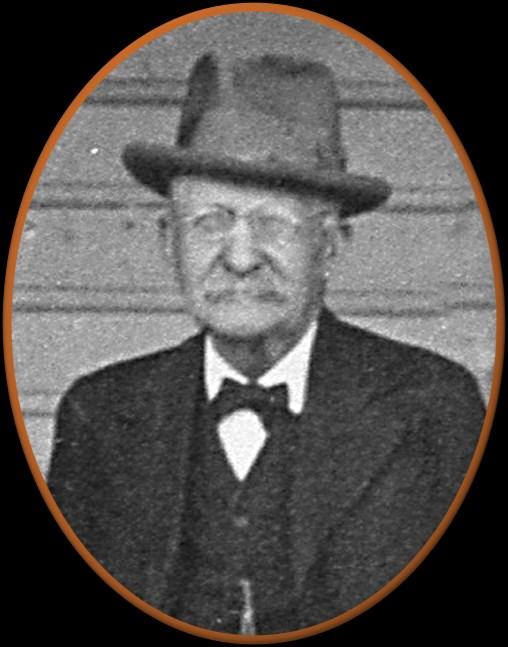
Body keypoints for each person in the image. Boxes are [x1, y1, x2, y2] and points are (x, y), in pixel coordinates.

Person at [47, 52, 486, 635]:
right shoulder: (101, 413)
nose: (240, 258)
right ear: (168, 241)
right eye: (209, 222)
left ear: (330, 245)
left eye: (273, 223)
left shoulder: (432, 405)